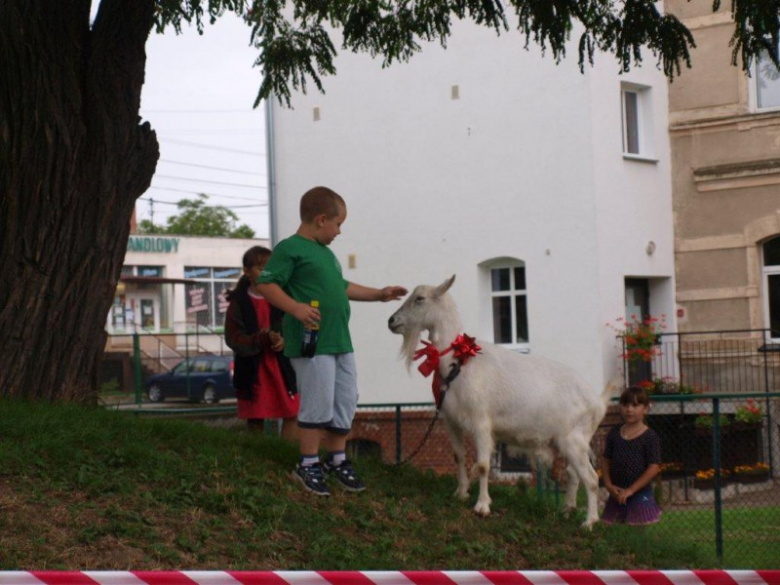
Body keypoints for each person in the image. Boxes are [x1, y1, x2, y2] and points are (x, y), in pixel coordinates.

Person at [257, 186, 407, 496]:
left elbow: (342, 286)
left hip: (340, 341)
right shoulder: (290, 249)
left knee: (344, 399)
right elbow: (266, 283)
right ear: (321, 219)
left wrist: (379, 294)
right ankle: (308, 463)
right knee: (318, 401)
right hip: (313, 343)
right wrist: (296, 308)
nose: (339, 231)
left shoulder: (325, 254)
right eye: (338, 224)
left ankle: (337, 460)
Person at [224, 245, 300, 442]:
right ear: (247, 272)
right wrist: (260, 339)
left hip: (282, 366)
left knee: (292, 412)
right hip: (253, 369)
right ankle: (259, 457)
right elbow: (233, 337)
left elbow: (295, 325)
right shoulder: (239, 302)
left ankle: (284, 454)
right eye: (260, 267)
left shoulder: (283, 296)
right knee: (256, 415)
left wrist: (285, 341)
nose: (267, 272)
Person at [601, 385, 662, 525]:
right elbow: (605, 460)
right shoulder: (614, 433)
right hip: (616, 495)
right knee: (613, 536)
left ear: (646, 408)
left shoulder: (650, 436)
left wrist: (631, 490)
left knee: (636, 539)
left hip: (639, 495)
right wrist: (608, 485)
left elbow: (654, 467)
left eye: (635, 405)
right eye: (625, 404)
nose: (629, 409)